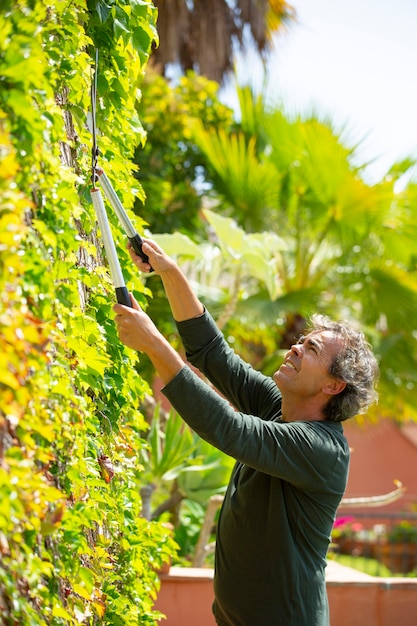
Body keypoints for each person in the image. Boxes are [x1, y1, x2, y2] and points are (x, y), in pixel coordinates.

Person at [113, 239, 379, 626]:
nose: (294, 348)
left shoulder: (322, 448)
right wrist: (168, 271)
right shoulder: (278, 408)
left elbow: (229, 428)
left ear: (333, 386)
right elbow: (213, 353)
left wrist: (154, 344)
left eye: (312, 349)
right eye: (301, 341)